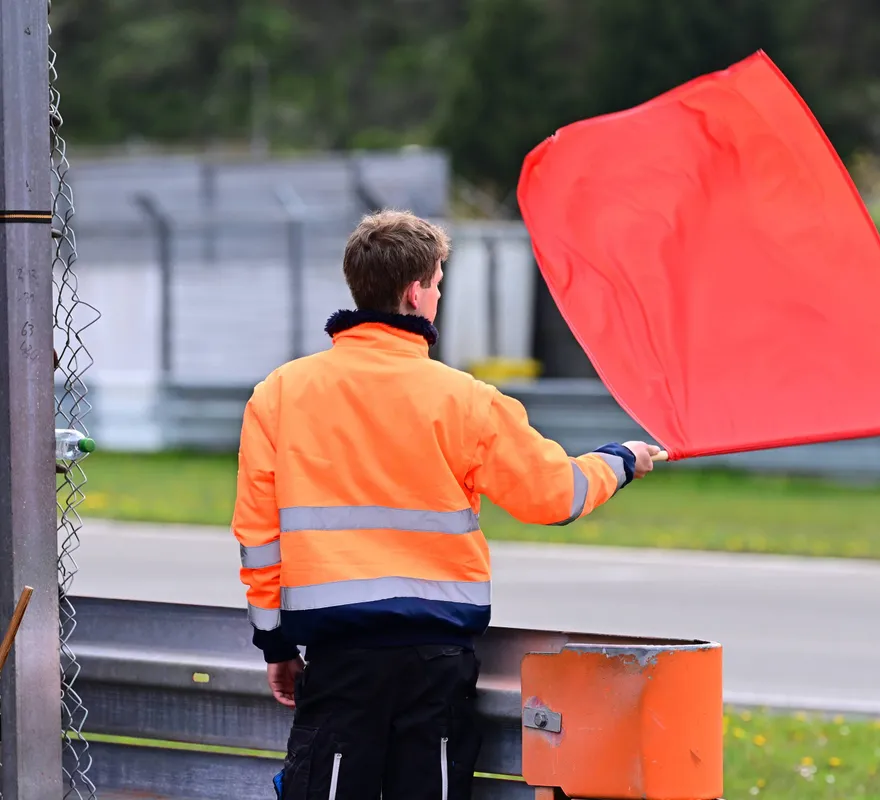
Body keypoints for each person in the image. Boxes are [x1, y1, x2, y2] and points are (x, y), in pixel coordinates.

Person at [231, 209, 661, 800]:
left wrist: (276, 644)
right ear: (416, 292)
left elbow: (258, 537)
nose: (437, 294)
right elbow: (554, 495)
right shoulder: (467, 401)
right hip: (435, 662)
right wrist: (620, 460)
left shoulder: (279, 394)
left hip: (338, 659)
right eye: (437, 282)